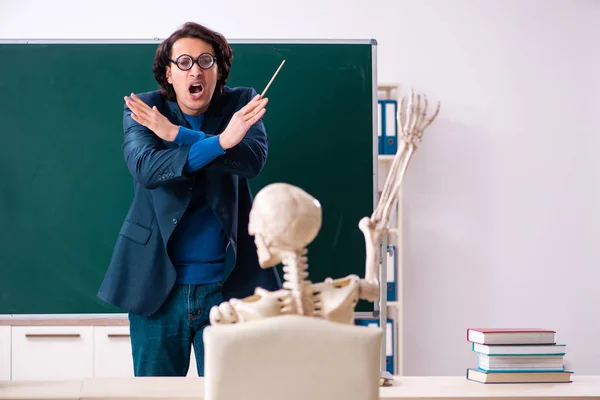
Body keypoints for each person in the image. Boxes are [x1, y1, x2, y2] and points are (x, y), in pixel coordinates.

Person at [97, 21, 282, 377]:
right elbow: (148, 170)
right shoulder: (144, 109)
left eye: (205, 61)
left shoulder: (242, 103)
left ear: (219, 70)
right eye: (183, 62)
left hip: (228, 287)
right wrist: (221, 141)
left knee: (234, 392)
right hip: (156, 286)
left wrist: (176, 135)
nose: (194, 70)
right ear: (169, 73)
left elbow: (252, 160)